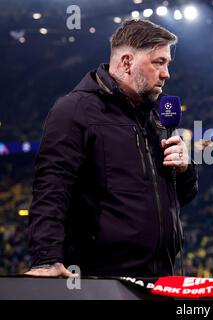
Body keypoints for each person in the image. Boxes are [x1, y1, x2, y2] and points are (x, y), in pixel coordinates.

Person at [26, 19, 198, 278]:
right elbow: (52, 188)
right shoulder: (75, 110)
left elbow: (176, 198)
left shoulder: (156, 117)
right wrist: (46, 259)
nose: (166, 74)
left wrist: (185, 170)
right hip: (100, 280)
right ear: (126, 62)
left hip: (160, 277)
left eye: (167, 64)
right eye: (158, 62)